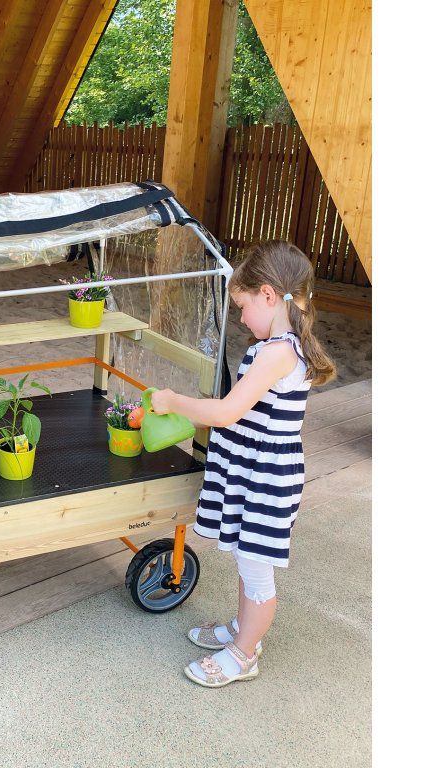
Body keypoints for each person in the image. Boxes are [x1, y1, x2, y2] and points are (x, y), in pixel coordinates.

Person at [149, 241, 336, 687]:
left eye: (243, 306)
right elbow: (243, 412)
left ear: (268, 295)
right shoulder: (275, 347)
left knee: (256, 569)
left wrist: (173, 401)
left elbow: (226, 412)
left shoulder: (278, 352)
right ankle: (242, 629)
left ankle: (244, 654)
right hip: (253, 470)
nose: (241, 319)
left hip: (265, 478)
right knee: (247, 556)